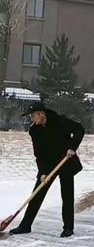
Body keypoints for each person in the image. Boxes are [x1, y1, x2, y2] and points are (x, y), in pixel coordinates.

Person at [10, 102, 85, 238]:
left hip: (65, 161)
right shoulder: (34, 130)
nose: (31, 119)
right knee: (37, 193)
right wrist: (43, 172)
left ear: (41, 114)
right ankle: (25, 225)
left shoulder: (59, 121)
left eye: (33, 116)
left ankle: (68, 228)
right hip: (48, 164)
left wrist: (72, 148)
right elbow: (39, 153)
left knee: (67, 196)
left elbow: (79, 129)